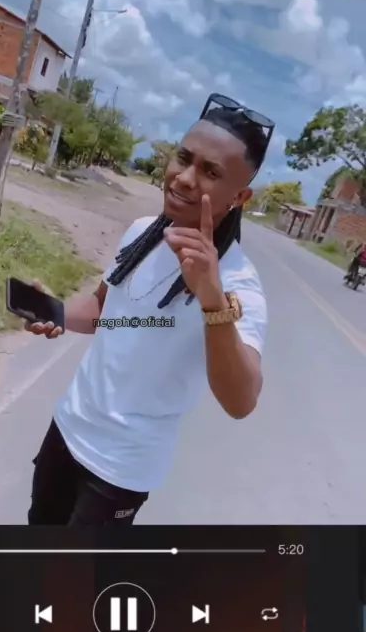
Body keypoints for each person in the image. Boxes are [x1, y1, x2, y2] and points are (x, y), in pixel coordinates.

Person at [25, 93, 275, 526]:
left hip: (120, 469)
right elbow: (103, 307)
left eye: (211, 172)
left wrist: (211, 298)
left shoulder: (237, 283)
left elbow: (242, 401)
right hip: (67, 428)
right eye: (184, 158)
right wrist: (57, 312)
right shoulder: (142, 232)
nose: (185, 178)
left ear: (240, 196)